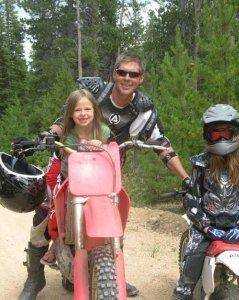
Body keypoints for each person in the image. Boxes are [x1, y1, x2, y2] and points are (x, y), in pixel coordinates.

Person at [17, 51, 189, 299]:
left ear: (141, 78)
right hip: (70, 165)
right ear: (114, 73)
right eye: (122, 72)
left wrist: (185, 177)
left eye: (134, 74)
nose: (127, 78)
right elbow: (61, 121)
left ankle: (111, 272)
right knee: (44, 214)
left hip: (106, 173)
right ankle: (34, 279)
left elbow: (162, 145)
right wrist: (49, 136)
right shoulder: (95, 93)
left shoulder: (143, 109)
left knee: (116, 214)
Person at [172, 104, 239, 300]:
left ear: (235, 133)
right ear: (207, 135)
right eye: (216, 135)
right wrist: (207, 227)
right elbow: (192, 200)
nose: (222, 138)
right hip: (206, 228)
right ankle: (183, 290)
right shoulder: (200, 165)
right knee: (193, 261)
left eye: (225, 133)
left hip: (236, 227)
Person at [40, 88, 110, 266]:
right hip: (71, 180)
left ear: (95, 110)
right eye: (78, 110)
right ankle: (57, 243)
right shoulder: (69, 136)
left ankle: (111, 249)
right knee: (57, 210)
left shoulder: (103, 131)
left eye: (87, 109)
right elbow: (69, 156)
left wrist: (100, 144)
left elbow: (109, 152)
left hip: (96, 181)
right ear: (70, 113)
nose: (83, 114)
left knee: (110, 204)